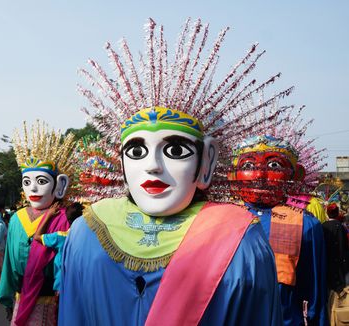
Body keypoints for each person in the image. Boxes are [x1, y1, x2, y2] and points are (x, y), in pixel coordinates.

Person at [59, 18, 283, 325]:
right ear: (121, 163)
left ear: (206, 163)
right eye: (136, 151)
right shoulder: (88, 232)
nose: (152, 165)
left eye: (175, 150)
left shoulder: (239, 239)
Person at [229, 135, 328, 325]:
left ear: (296, 175)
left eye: (274, 166)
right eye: (248, 166)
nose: (259, 176)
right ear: (232, 175)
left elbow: (315, 297)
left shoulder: (304, 224)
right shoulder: (222, 218)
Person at [0, 121, 76, 325]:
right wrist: (8, 293)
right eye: (26, 182)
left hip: (50, 295)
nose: (32, 189)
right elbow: (9, 261)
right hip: (20, 293)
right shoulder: (16, 218)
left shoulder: (63, 218)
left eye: (41, 182)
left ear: (59, 185)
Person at [33, 202, 83, 293]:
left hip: (62, 284)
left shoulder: (61, 237)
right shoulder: (88, 237)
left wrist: (48, 215)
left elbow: (37, 236)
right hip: (81, 284)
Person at [323, 203, 349, 325]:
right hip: (338, 266)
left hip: (326, 265)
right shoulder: (340, 227)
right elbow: (343, 249)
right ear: (337, 213)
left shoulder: (322, 226)